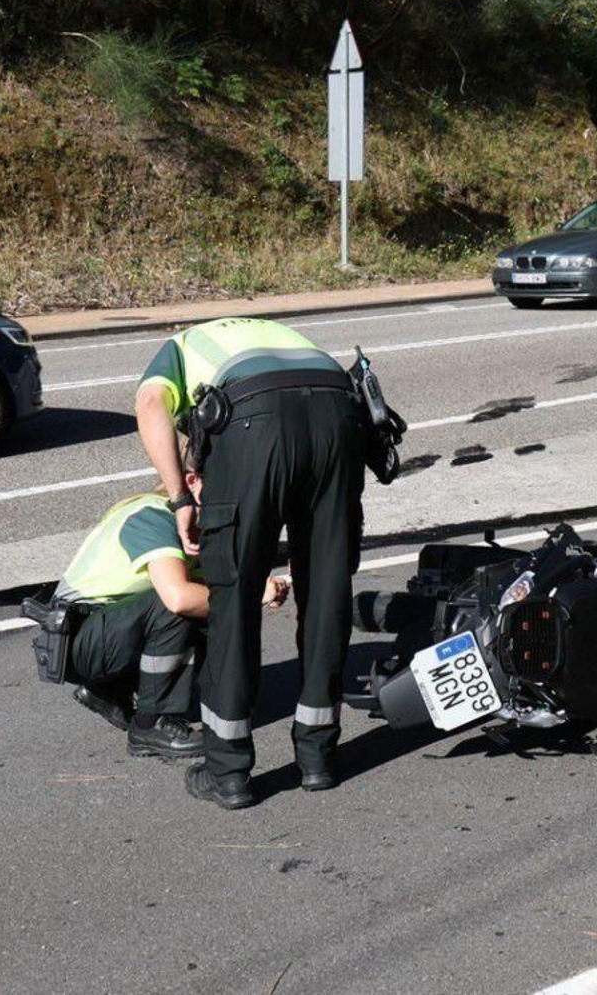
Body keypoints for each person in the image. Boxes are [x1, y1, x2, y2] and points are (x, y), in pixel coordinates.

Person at [135, 317, 367, 809]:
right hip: (337, 413)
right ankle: (318, 759)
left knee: (234, 598)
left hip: (252, 421)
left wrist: (180, 498)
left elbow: (150, 403)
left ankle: (229, 772)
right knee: (327, 591)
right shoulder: (275, 332)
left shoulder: (178, 347)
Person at [57, 461, 291, 759]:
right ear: (192, 481)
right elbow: (178, 598)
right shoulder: (154, 516)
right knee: (180, 605)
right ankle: (151, 725)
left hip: (100, 630)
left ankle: (110, 689)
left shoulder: (193, 521)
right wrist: (250, 596)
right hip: (78, 639)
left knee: (211, 601)